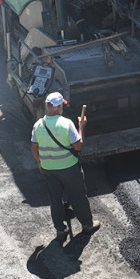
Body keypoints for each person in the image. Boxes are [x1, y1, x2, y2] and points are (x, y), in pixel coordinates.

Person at [31, 91, 98, 241]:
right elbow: (78, 146)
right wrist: (81, 126)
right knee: (77, 196)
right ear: (59, 107)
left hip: (48, 169)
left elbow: (34, 148)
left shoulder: (38, 125)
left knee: (55, 199)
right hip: (69, 168)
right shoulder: (67, 124)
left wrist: (40, 162)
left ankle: (61, 230)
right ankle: (87, 225)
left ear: (48, 106)